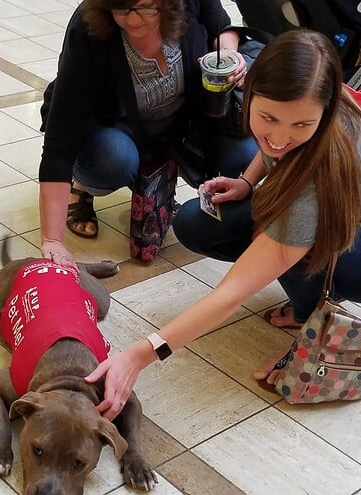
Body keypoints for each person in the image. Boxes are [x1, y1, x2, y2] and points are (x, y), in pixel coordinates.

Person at [85, 29, 361, 420]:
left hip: (350, 248)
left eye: (301, 125)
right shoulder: (322, 111)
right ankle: (302, 280)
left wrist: (139, 355)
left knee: (293, 239)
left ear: (325, 110)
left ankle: (311, 307)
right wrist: (247, 182)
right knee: (198, 223)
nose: (280, 137)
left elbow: (231, 294)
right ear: (247, 91)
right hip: (330, 216)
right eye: (268, 118)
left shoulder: (311, 192)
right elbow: (276, 153)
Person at [38, 0, 257, 262]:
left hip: (181, 122)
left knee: (243, 154)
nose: (132, 21)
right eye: (120, 8)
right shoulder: (89, 25)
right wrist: (52, 240)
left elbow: (223, 28)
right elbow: (60, 139)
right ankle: (82, 188)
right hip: (113, 129)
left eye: (145, 7)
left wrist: (227, 56)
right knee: (113, 159)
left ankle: (163, 177)